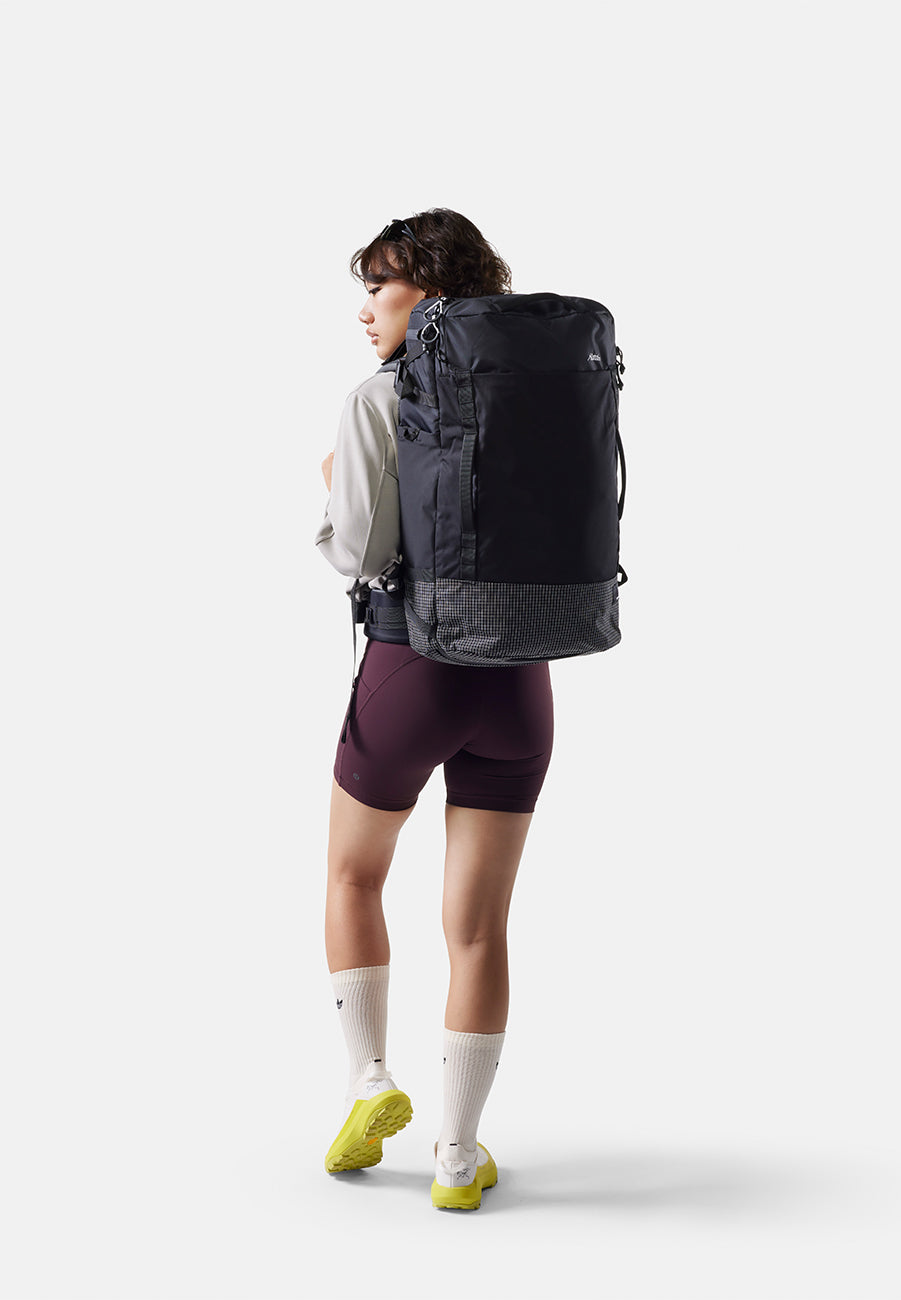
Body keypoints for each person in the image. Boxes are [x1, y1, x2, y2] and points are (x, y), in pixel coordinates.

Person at [313, 209, 554, 1211]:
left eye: (381, 286)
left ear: (435, 294)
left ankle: (371, 1082)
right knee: (481, 928)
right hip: (521, 683)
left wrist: (334, 485)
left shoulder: (381, 396)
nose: (365, 308)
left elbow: (359, 551)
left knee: (352, 873)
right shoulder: (541, 391)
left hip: (413, 669)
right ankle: (458, 1157)